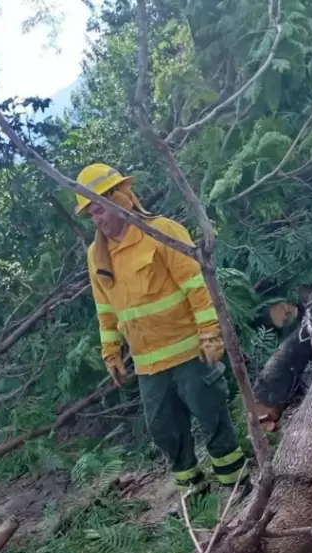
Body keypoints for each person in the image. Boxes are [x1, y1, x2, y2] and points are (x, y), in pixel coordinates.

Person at [75, 162, 246, 495]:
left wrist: (210, 332)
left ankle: (238, 487)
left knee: (212, 416)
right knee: (164, 429)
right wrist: (110, 351)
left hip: (191, 351)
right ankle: (194, 492)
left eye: (100, 211)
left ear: (121, 198)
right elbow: (106, 309)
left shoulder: (161, 231)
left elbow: (197, 286)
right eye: (92, 215)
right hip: (149, 364)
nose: (98, 220)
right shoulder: (97, 256)